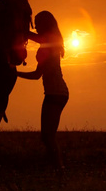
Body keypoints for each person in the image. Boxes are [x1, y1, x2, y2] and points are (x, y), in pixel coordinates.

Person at [17, 11, 69, 170]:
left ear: (45, 24)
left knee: (48, 136)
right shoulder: (46, 46)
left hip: (56, 93)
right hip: (54, 93)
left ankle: (59, 168)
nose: (36, 27)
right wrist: (16, 73)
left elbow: (38, 38)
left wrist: (23, 31)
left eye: (38, 24)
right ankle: (56, 167)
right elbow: (36, 75)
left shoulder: (51, 40)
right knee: (46, 137)